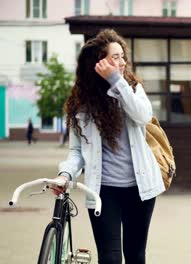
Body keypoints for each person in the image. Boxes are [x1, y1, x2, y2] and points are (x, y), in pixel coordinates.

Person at [53, 29, 165, 264]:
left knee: (135, 256)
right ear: (99, 62)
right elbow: (76, 152)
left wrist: (117, 81)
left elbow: (142, 115)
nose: (123, 62)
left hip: (140, 188)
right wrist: (65, 174)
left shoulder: (132, 88)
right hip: (103, 191)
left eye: (123, 56)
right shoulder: (82, 104)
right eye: (116, 57)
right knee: (110, 258)